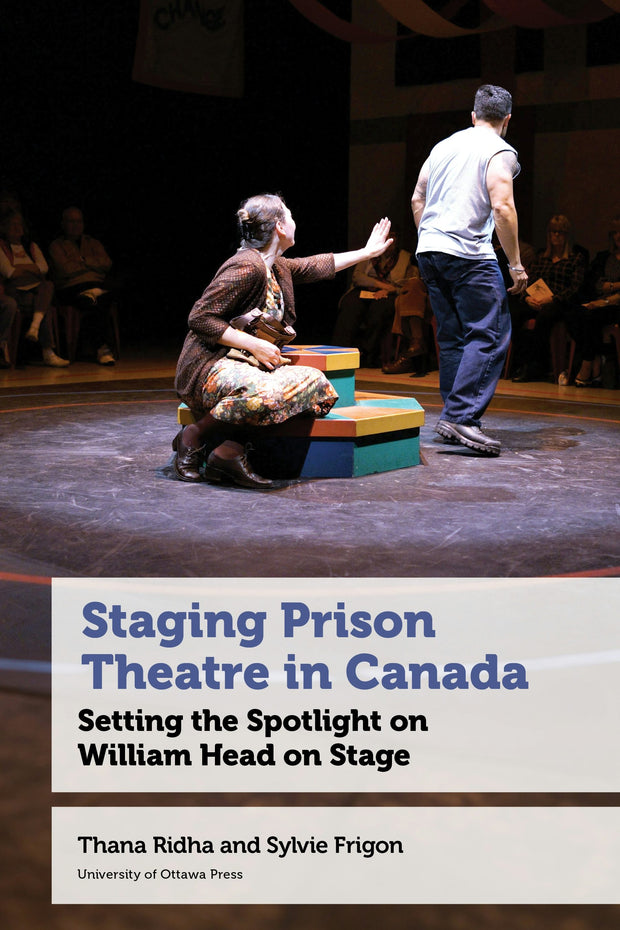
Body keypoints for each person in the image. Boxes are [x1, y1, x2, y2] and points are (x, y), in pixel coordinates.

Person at [174, 193, 393, 488]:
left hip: (249, 368)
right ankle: (195, 435)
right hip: (211, 367)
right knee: (265, 393)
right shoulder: (246, 266)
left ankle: (229, 452)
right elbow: (200, 318)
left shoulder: (277, 267)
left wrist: (366, 253)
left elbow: (317, 265)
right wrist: (253, 344)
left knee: (317, 386)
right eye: (289, 215)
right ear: (279, 226)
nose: (294, 221)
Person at [411, 84, 528, 455]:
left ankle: (453, 415)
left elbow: (417, 198)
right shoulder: (499, 149)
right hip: (469, 255)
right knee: (490, 334)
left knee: (453, 338)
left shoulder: (442, 147)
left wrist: (431, 239)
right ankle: (461, 416)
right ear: (507, 120)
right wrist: (515, 264)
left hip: (429, 251)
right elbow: (503, 207)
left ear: (473, 116)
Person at [511, 215, 587, 383]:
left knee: (545, 316)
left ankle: (536, 366)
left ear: (567, 235)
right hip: (537, 300)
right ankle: (519, 363)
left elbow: (574, 288)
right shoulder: (541, 258)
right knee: (515, 314)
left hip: (559, 303)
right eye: (553, 232)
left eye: (560, 232)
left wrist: (552, 299)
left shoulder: (575, 259)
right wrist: (527, 298)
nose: (556, 235)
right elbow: (529, 281)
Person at [48, 207, 117, 365]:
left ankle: (101, 347)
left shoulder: (93, 243)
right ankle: (102, 349)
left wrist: (83, 261)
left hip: (96, 284)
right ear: (63, 224)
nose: (76, 225)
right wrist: (92, 266)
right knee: (98, 300)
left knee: (96, 301)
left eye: (78, 221)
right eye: (71, 221)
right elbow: (64, 269)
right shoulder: (56, 245)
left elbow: (106, 263)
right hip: (70, 288)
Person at [332, 235, 414, 367]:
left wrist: (389, 290)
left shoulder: (404, 258)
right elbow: (357, 277)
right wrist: (382, 285)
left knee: (379, 310)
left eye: (392, 237)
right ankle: (338, 352)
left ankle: (367, 354)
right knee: (350, 305)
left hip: (388, 294)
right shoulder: (370, 252)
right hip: (365, 289)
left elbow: (407, 285)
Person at [0, 211, 69, 367]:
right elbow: (9, 272)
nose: (17, 227)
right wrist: (31, 268)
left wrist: (20, 268)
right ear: (4, 228)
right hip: (15, 291)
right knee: (44, 307)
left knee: (48, 285)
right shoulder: (2, 247)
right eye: (13, 224)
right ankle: (47, 351)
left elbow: (44, 268)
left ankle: (35, 328)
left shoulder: (31, 246)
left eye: (19, 224)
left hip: (36, 289)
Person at [570, 214, 620, 386]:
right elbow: (595, 283)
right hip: (600, 301)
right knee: (574, 313)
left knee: (592, 316)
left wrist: (609, 292)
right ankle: (596, 359)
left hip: (615, 304)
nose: (618, 236)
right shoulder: (604, 257)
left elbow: (607, 288)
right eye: (615, 232)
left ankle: (587, 365)